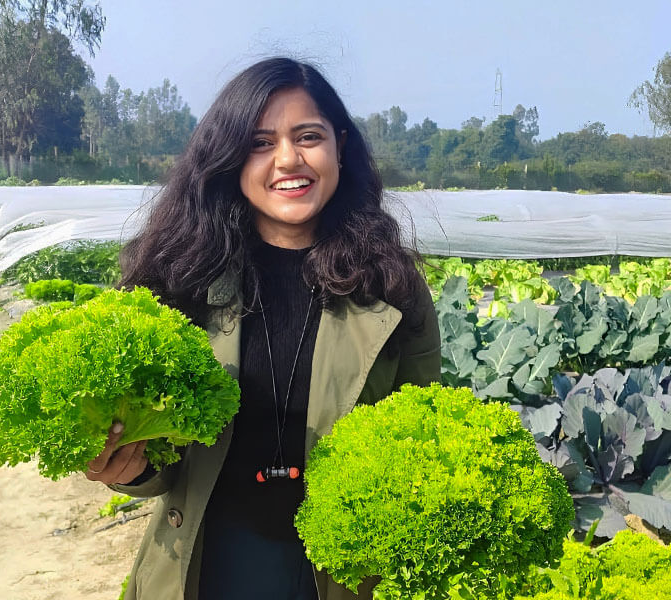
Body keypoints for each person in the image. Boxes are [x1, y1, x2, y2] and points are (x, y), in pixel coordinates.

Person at [85, 57, 441, 600]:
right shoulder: (178, 280)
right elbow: (158, 463)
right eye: (259, 142)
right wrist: (126, 466)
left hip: (340, 575)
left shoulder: (390, 286)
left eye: (308, 136)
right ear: (228, 159)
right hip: (204, 563)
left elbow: (420, 431)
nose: (287, 160)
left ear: (340, 146)